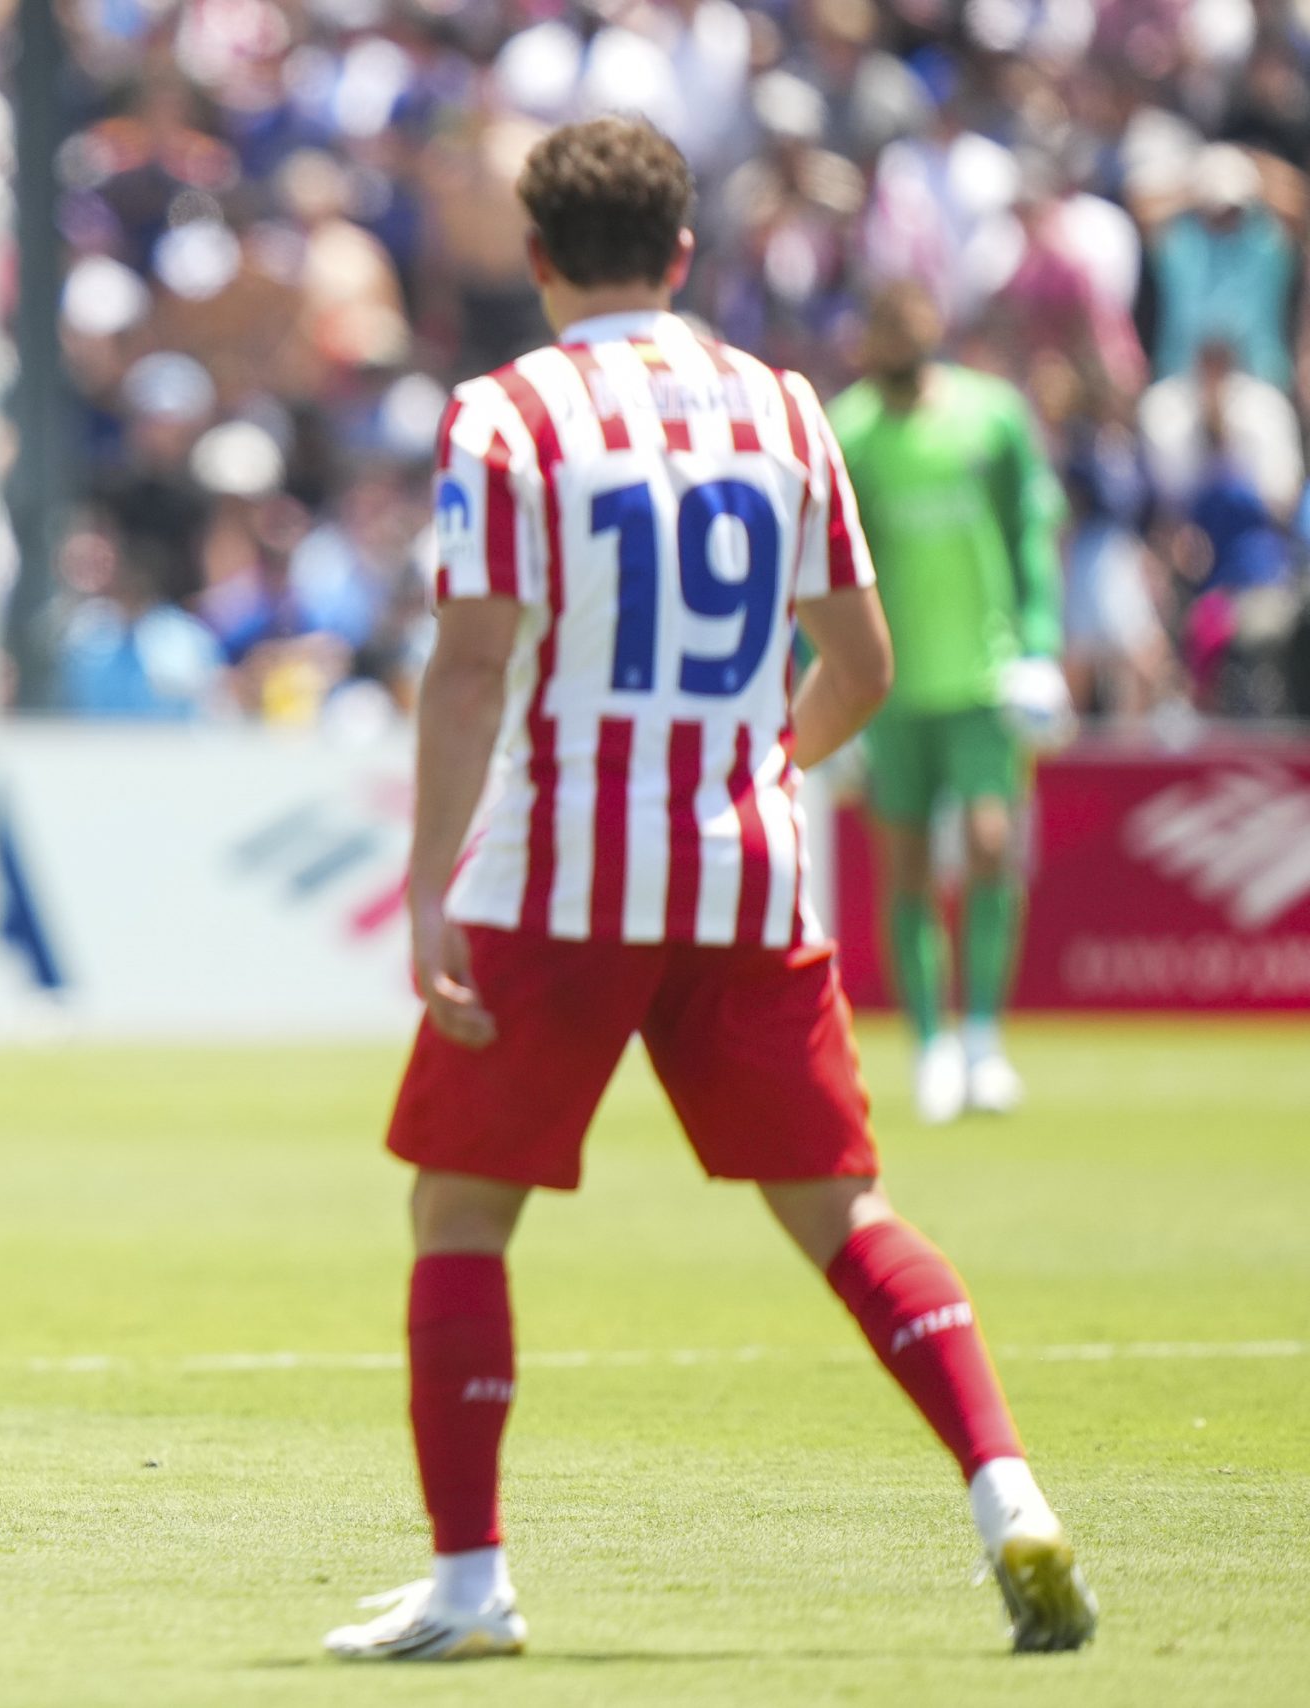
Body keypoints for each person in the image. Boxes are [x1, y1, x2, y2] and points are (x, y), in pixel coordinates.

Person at [324, 117, 1094, 1663]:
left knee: (461, 1212)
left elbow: (469, 673)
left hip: (557, 878)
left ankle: (473, 1587)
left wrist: (424, 890)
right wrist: (748, 762)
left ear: (537, 259)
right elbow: (860, 664)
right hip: (746, 878)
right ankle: (1006, 1490)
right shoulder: (785, 405)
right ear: (684, 255)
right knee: (844, 1212)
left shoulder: (508, 415)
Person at [829, 281, 1068, 1124]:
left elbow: (1028, 534)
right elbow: (821, 573)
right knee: (905, 869)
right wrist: (820, 688)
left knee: (992, 847)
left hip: (982, 675)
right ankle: (929, 1044)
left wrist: (1039, 646)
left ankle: (984, 1039)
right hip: (889, 690)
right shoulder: (849, 431)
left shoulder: (992, 417)